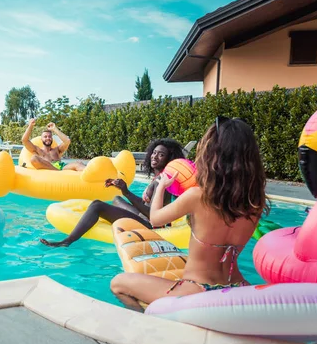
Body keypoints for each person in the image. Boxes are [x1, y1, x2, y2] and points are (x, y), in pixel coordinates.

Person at [110, 116, 269, 311]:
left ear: (211, 154)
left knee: (118, 284)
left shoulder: (198, 196)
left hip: (199, 290)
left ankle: (149, 321)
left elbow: (155, 218)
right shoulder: (255, 200)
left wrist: (161, 186)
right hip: (237, 286)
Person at [39, 138, 185, 247]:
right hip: (144, 216)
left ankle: (67, 241)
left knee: (97, 206)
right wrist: (122, 189)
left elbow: (153, 216)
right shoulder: (158, 176)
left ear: (169, 159)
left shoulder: (162, 181)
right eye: (154, 153)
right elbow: (147, 205)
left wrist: (126, 192)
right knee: (116, 199)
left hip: (150, 225)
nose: (154, 156)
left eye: (161, 155)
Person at [21, 118, 86, 171]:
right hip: (50, 168)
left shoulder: (57, 150)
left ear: (52, 138)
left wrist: (55, 129)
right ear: (41, 139)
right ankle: (56, 171)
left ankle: (94, 176)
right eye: (45, 137)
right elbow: (24, 140)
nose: (48, 138)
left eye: (49, 136)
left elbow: (67, 141)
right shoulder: (37, 150)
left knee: (78, 163)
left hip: (62, 167)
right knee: (33, 158)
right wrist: (30, 126)